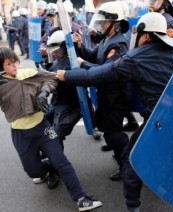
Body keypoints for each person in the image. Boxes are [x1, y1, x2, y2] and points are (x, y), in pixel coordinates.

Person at [56, 12, 173, 212]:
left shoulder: (135, 57)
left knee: (132, 159)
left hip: (158, 121)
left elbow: (97, 75)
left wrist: (67, 75)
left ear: (146, 35)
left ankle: (133, 207)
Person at [0, 47, 102, 212]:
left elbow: (53, 78)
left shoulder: (29, 73)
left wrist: (44, 92)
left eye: (15, 61)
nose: (14, 66)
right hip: (20, 133)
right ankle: (49, 169)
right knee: (33, 171)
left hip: (43, 127)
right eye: (9, 64)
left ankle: (81, 198)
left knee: (61, 161)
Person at [72, 1, 131, 181]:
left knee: (114, 132)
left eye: (104, 22)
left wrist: (84, 64)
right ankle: (118, 151)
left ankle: (127, 165)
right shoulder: (107, 40)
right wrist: (80, 45)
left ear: (114, 23)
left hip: (117, 95)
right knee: (105, 125)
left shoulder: (118, 45)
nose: (100, 25)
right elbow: (94, 56)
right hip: (106, 93)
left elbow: (107, 70)